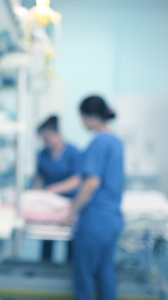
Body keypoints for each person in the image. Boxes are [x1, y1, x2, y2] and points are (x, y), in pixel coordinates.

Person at [63, 96, 124, 300]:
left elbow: (91, 183)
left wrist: (72, 210)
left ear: (88, 117)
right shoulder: (116, 141)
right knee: (106, 277)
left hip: (95, 222)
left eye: (81, 118)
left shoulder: (98, 142)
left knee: (84, 280)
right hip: (112, 220)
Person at [34, 115, 81, 197]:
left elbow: (77, 179)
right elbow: (40, 178)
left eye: (48, 137)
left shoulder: (73, 152)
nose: (46, 141)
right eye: (43, 139)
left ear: (58, 133)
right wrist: (34, 195)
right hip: (49, 198)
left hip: (69, 199)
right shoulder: (43, 154)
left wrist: (53, 190)